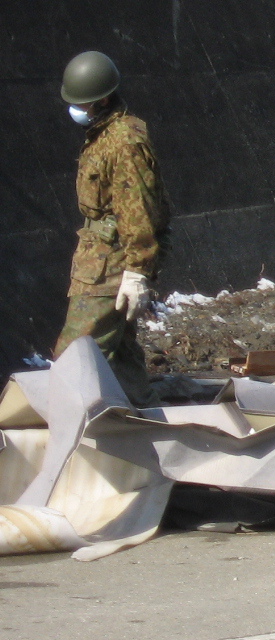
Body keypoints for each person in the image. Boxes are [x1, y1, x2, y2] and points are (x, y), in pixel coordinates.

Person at [53, 51, 169, 407]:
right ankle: (143, 412)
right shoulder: (104, 135)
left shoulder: (123, 142)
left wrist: (137, 270)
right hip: (98, 253)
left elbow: (138, 210)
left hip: (112, 260)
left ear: (102, 100)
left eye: (82, 103)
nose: (77, 109)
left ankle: (74, 426)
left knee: (76, 356)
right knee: (119, 353)